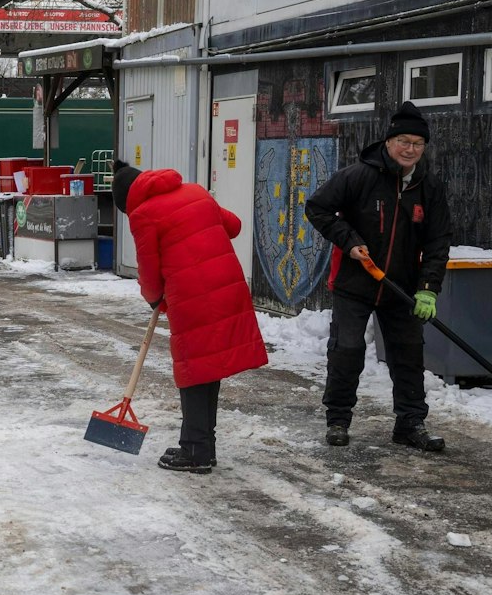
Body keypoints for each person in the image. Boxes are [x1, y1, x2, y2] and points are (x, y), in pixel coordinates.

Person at [304, 100, 453, 452]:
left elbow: (438, 241)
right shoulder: (359, 176)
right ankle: (338, 420)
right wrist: (350, 241)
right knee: (348, 349)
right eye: (403, 141)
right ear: (388, 142)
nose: (410, 149)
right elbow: (318, 208)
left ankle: (410, 424)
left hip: (400, 286)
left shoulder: (429, 188)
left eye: (417, 144)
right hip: (355, 283)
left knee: (408, 353)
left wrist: (428, 289)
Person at [112, 162, 268, 473]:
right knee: (209, 366)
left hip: (193, 294)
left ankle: (196, 450)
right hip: (228, 285)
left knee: (194, 367)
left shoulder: (144, 214)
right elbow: (234, 225)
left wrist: (155, 298)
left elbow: (148, 269)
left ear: (128, 200)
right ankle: (201, 444)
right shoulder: (195, 191)